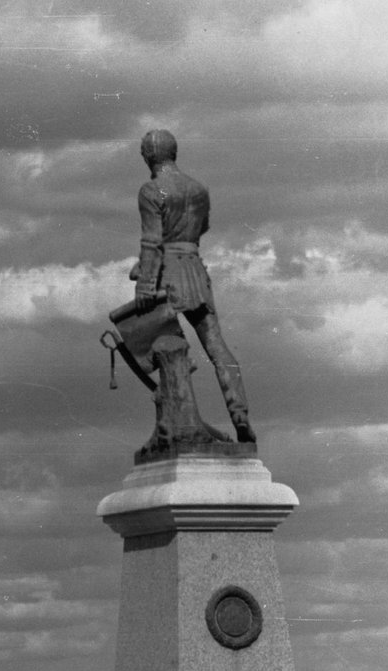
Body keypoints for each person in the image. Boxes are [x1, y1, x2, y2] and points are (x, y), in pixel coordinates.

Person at [130, 129, 254, 443]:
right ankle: (239, 414)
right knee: (218, 348)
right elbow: (202, 227)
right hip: (197, 273)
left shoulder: (151, 190)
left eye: (145, 153)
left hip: (167, 278)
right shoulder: (198, 189)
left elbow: (152, 242)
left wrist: (144, 287)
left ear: (150, 155)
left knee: (164, 350)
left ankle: (181, 422)